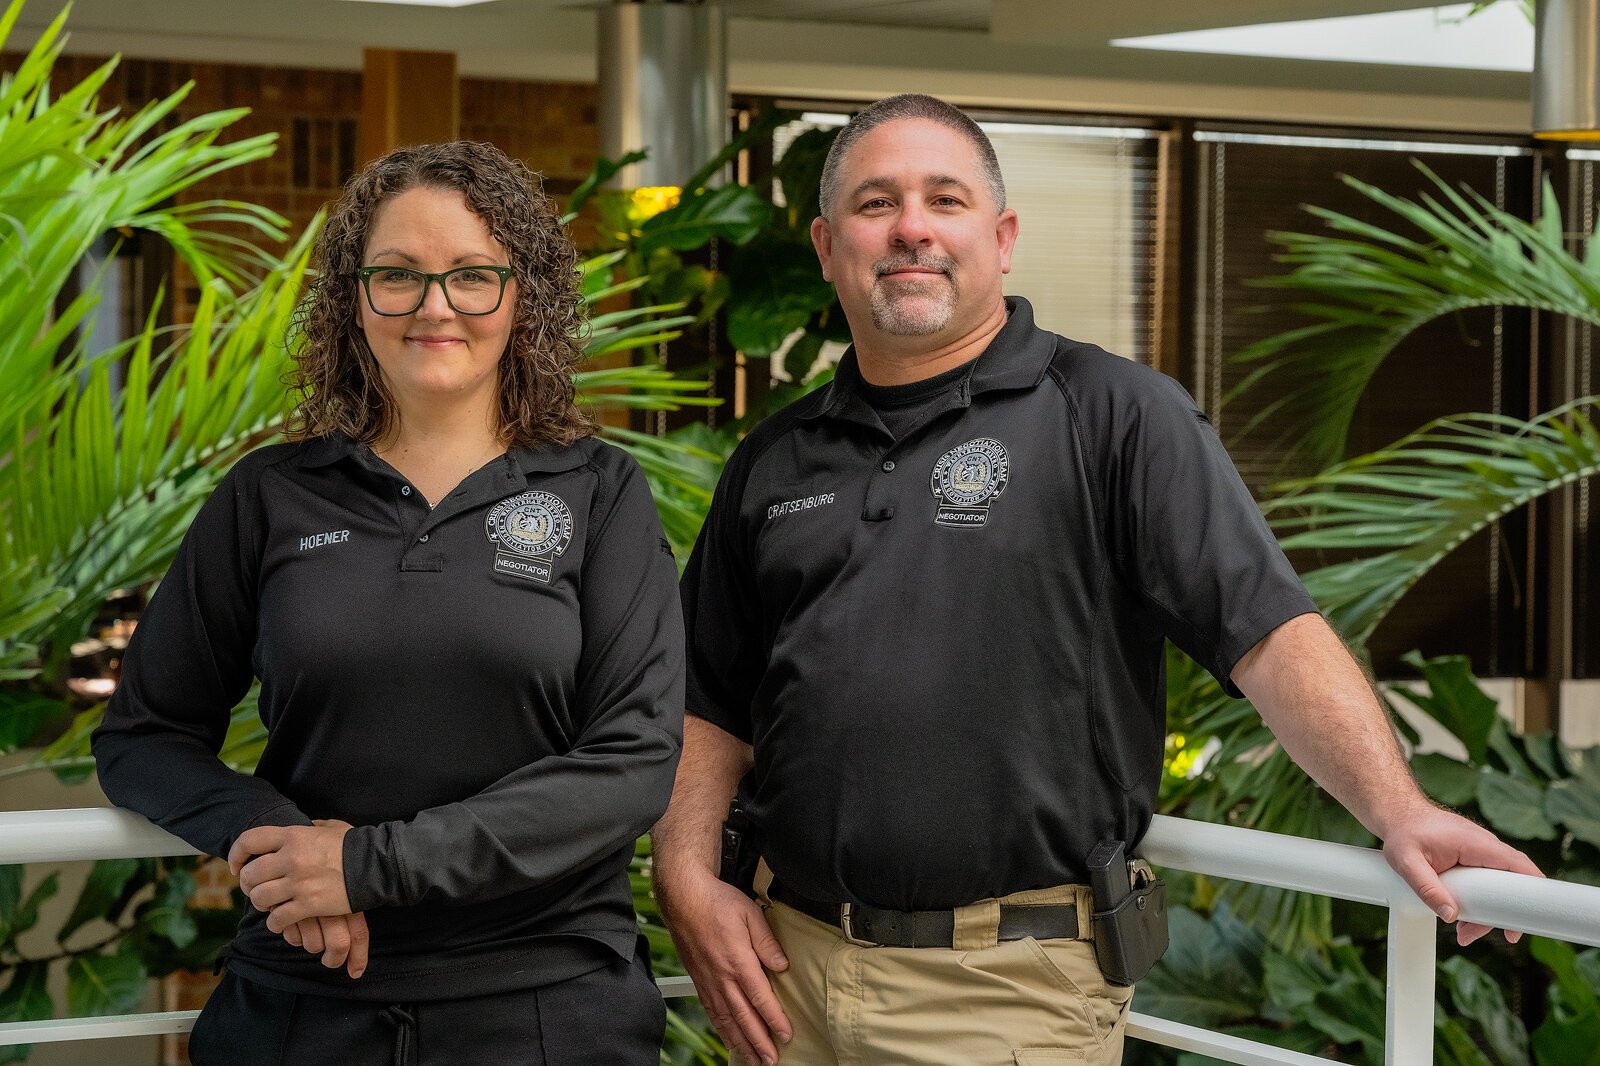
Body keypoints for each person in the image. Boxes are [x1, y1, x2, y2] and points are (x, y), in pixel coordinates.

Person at [651, 94, 1542, 1066]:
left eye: (943, 199)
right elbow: (713, 696)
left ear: (1001, 237)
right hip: (785, 987)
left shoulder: (1115, 416)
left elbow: (1264, 629)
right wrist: (685, 871)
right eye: (876, 203)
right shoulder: (774, 458)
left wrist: (1400, 808)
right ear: (828, 246)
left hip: (1006, 996)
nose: (910, 226)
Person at [91, 141, 684, 1065]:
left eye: (471, 276)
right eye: (397, 275)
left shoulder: (599, 493)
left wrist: (367, 869)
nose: (435, 306)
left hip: (545, 1006)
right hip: (304, 1003)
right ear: (354, 298)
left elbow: (633, 760)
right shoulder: (269, 497)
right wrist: (286, 852)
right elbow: (145, 736)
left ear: (521, 295)